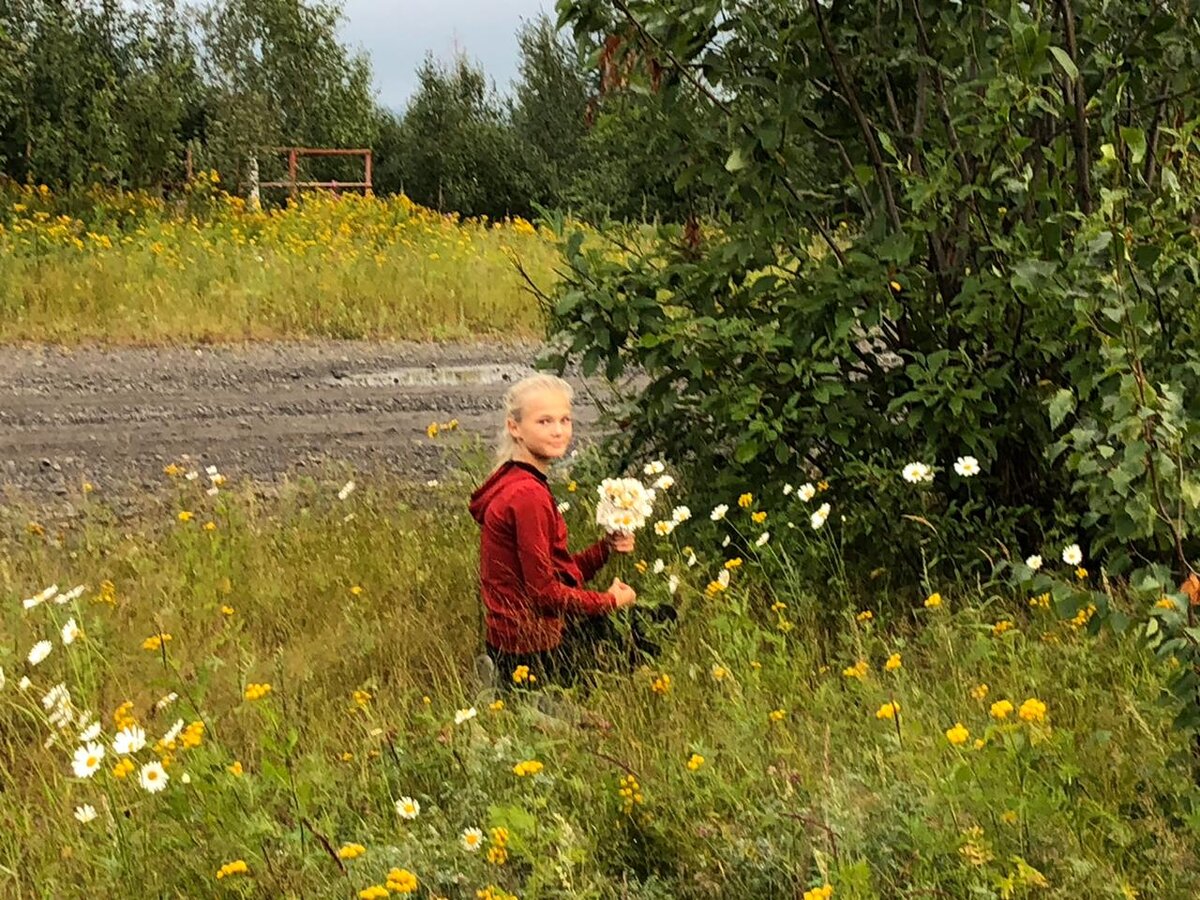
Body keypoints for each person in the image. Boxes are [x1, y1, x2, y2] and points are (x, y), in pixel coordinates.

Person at [469, 373, 637, 688]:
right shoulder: (527, 496)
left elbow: (556, 572)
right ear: (514, 427)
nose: (559, 431)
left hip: (511, 639)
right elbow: (544, 593)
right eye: (544, 422)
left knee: (639, 625)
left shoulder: (513, 480)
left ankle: (501, 680)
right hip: (532, 647)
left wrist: (606, 547)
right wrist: (609, 602)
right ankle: (517, 689)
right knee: (649, 628)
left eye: (565, 420)